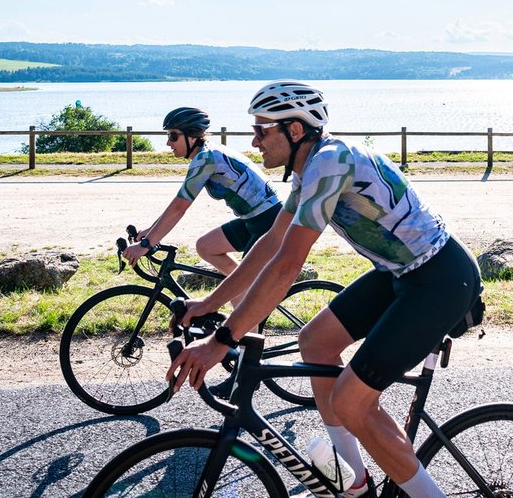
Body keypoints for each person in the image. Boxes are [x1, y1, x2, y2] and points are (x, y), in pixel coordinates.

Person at [168, 82, 482, 498]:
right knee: (314, 341)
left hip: (441, 278)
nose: (254, 140)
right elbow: (270, 245)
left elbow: (286, 266)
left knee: (353, 401)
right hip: (401, 273)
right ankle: (352, 482)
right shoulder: (310, 167)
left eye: (263, 130)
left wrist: (224, 340)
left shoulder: (331, 163)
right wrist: (211, 302)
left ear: (295, 130)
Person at [122, 107, 281, 276]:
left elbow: (179, 207)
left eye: (173, 136)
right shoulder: (207, 153)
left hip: (268, 220)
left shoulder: (206, 159)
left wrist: (145, 244)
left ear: (191, 136)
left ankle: (250, 294)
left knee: (245, 282)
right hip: (254, 220)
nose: (168, 143)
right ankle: (245, 291)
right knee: (206, 247)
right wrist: (150, 232)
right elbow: (177, 204)